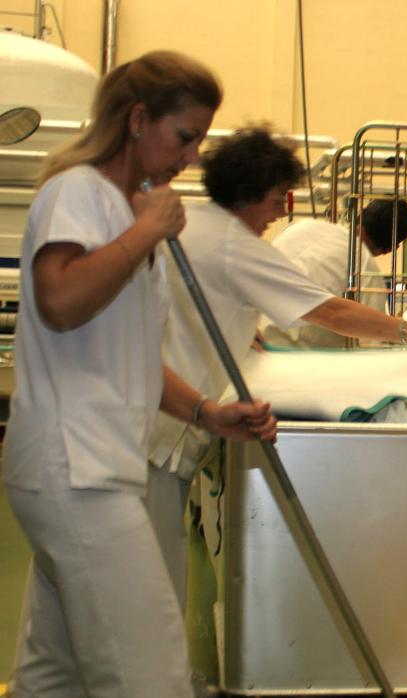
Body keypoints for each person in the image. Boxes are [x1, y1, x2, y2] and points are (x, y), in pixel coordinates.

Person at [1, 51, 277, 698]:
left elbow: (130, 360)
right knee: (150, 675)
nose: (192, 156)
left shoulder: (125, 208)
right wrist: (145, 233)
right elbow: (60, 301)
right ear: (136, 119)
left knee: (56, 676)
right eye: (185, 138)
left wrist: (208, 414)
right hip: (76, 468)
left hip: (93, 467)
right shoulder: (80, 192)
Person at [146, 126, 407, 614]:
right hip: (166, 431)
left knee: (136, 573)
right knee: (151, 579)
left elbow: (198, 300)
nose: (283, 208)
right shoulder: (236, 243)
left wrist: (241, 326)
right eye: (277, 196)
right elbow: (331, 313)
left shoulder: (199, 226)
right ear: (250, 192)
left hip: (166, 409)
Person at [262, 197, 407, 348]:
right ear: (391, 248)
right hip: (294, 358)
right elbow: (370, 343)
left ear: (358, 216)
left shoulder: (300, 228)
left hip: (253, 339)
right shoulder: (366, 269)